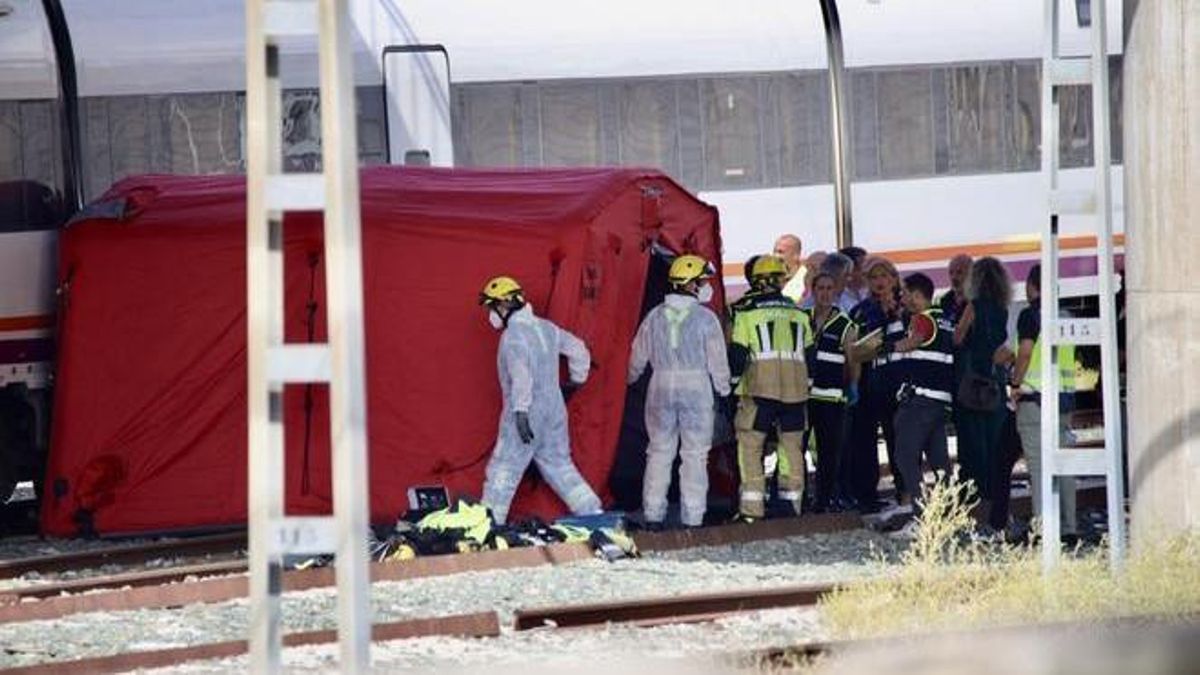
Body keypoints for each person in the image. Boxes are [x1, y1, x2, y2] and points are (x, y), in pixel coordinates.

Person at [477, 276, 603, 525]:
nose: (491, 314)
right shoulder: (547, 328)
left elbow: (521, 376)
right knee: (560, 466)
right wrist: (576, 381)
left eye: (493, 307)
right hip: (555, 411)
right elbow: (578, 349)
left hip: (525, 412)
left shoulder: (513, 336)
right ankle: (593, 513)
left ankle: (488, 525)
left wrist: (521, 412)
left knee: (504, 468)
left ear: (504, 305)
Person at [627, 255, 731, 529]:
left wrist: (631, 378)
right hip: (696, 389)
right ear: (689, 284)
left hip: (659, 388)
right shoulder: (706, 319)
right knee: (695, 455)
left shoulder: (654, 316)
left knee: (659, 452)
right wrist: (724, 390)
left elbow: (636, 357)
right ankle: (693, 517)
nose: (705, 286)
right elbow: (718, 361)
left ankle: (653, 515)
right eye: (701, 281)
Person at [870, 273, 955, 539]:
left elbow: (913, 341)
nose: (901, 297)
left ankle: (921, 519)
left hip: (919, 401)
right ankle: (947, 517)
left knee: (906, 457)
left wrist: (883, 347)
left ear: (918, 295)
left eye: (905, 293)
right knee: (940, 462)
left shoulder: (923, 318)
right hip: (939, 401)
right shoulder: (944, 319)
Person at [729, 254, 814, 520]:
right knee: (791, 448)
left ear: (757, 281)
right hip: (796, 395)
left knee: (751, 447)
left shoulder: (746, 315)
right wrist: (805, 386)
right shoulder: (800, 314)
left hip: (758, 393)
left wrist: (729, 387)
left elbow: (738, 357)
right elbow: (810, 357)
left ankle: (752, 510)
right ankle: (791, 506)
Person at [1006, 264, 1078, 539]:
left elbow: (1025, 353)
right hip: (1065, 403)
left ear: (1032, 286)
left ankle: (1044, 530)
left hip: (1035, 401)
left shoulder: (1030, 315)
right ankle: (1070, 528)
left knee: (1038, 467)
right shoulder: (1066, 316)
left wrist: (1014, 383)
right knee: (1065, 467)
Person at [847, 256, 907, 512]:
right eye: (873, 277)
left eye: (884, 276)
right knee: (865, 441)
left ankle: (905, 490)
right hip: (869, 383)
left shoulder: (906, 306)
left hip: (899, 383)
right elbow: (853, 347)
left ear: (894, 278)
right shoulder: (861, 310)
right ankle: (867, 494)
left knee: (900, 440)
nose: (880, 282)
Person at [953, 257, 1012, 512]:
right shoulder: (1003, 309)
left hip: (973, 380)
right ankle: (992, 493)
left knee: (972, 441)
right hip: (995, 379)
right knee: (994, 440)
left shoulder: (972, 306)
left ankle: (975, 493)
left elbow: (958, 338)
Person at [803, 271, 857, 512]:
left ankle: (824, 500)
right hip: (804, 396)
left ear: (835, 292)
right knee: (796, 450)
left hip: (831, 397)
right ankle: (799, 497)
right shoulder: (803, 318)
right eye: (820, 288)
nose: (824, 293)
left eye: (829, 288)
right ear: (813, 291)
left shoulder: (845, 324)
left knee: (828, 453)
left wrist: (853, 385)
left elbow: (852, 359)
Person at [937, 254, 973, 327]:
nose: (954, 277)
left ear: (971, 274)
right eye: (951, 273)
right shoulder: (945, 301)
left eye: (959, 272)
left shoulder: (979, 303)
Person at [774, 234, 807, 303]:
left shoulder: (807, 281)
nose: (775, 256)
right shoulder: (772, 280)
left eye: (781, 252)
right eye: (774, 252)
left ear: (796, 255)